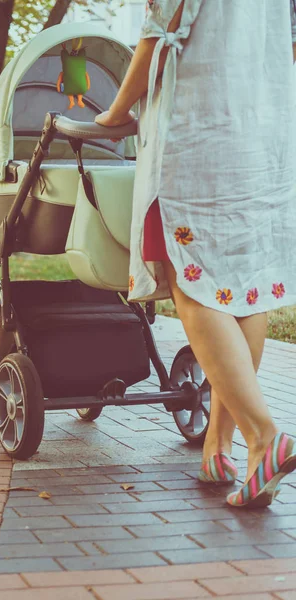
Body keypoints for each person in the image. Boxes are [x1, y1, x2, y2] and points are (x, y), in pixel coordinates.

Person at [96, 0, 296, 508]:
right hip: (261, 129)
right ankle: (219, 446)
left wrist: (116, 112)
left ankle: (263, 437)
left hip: (198, 132)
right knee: (243, 287)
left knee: (192, 281)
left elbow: (159, 30)